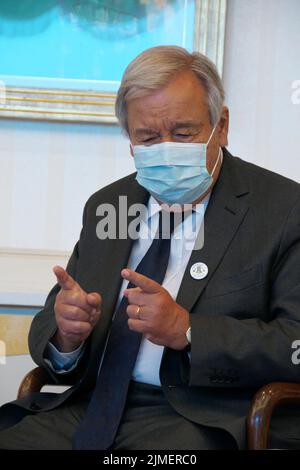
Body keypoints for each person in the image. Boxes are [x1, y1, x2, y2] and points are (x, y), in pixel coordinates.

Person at [1, 45, 300, 450]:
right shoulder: (111, 206)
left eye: (182, 133)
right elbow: (53, 330)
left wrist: (188, 330)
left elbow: (294, 345)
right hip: (91, 408)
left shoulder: (283, 211)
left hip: (203, 418)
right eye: (147, 137)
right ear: (130, 142)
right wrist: (68, 336)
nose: (165, 148)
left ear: (222, 125)